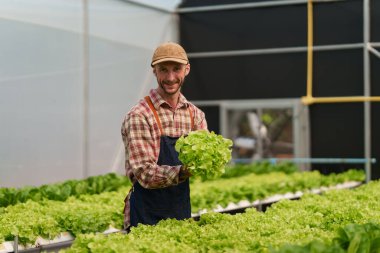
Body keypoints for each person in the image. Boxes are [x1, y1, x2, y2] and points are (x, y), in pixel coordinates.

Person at [121, 42, 208, 230]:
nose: (170, 77)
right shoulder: (140, 115)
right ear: (154, 71)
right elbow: (144, 173)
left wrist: (209, 161)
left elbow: (207, 158)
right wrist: (184, 171)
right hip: (145, 215)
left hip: (180, 210)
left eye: (176, 69)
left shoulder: (195, 115)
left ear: (187, 69)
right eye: (163, 70)